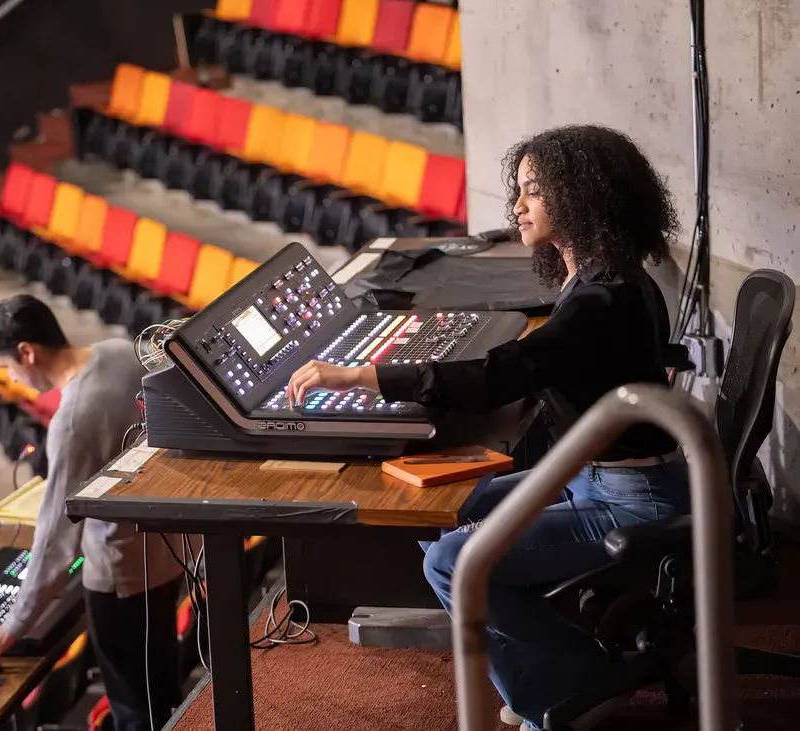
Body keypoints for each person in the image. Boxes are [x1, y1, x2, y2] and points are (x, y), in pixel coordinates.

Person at [286, 125, 690, 730]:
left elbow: (507, 372)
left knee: (452, 562)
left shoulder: (601, 298)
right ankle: (551, 662)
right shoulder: (610, 275)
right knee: (440, 504)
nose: (517, 207)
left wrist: (362, 377)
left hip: (629, 498)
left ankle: (573, 685)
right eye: (518, 191)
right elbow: (538, 362)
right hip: (594, 476)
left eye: (533, 192)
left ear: (579, 198)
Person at [0, 295, 186, 731]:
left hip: (123, 578)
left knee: (136, 709)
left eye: (8, 367)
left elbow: (55, 541)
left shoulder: (72, 420)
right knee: (161, 688)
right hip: (170, 552)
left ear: (27, 352)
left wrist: (15, 624)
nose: (11, 378)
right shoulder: (119, 350)